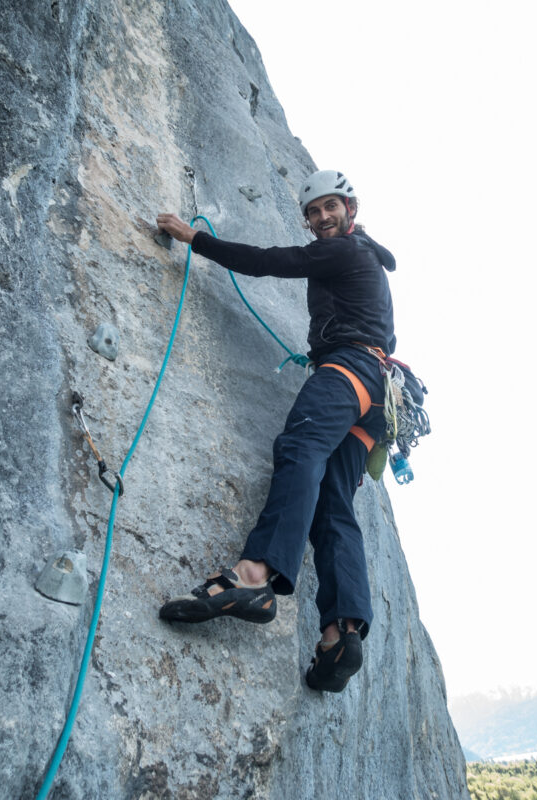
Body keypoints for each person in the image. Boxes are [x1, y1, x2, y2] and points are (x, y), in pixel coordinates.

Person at [156, 170, 396, 693]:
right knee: (334, 504)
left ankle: (253, 578)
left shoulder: (349, 251)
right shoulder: (370, 259)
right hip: (377, 399)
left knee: (300, 448)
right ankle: (340, 633)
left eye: (330, 207)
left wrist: (196, 238)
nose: (321, 218)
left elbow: (269, 262)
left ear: (350, 211)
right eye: (313, 212)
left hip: (349, 371)